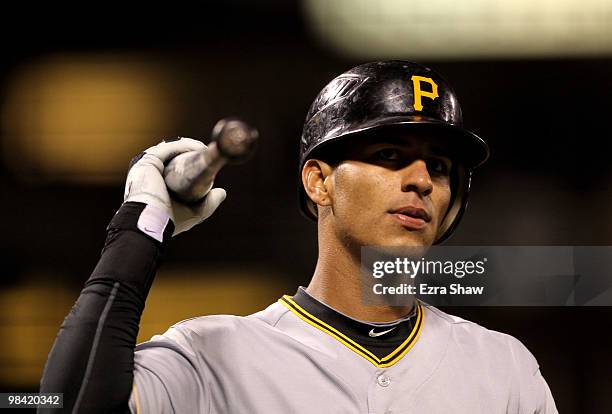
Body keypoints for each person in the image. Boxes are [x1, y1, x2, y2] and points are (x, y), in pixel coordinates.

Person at [39, 61, 557, 413]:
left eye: (440, 167)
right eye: (391, 156)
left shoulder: (503, 368)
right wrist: (139, 231)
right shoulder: (213, 356)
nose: (421, 180)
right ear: (318, 180)